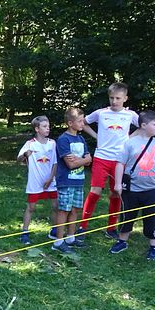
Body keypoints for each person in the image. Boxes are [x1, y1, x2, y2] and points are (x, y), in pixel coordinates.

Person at [81, 82, 139, 239]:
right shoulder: (101, 113)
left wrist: (129, 139)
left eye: (118, 98)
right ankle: (83, 225)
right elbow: (83, 123)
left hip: (120, 160)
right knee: (95, 191)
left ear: (125, 98)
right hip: (101, 157)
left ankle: (111, 227)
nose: (114, 101)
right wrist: (96, 136)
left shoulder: (130, 115)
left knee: (115, 193)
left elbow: (143, 126)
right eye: (112, 98)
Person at [110, 111, 155, 260]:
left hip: (153, 189)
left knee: (153, 218)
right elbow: (120, 163)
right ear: (143, 125)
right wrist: (118, 183)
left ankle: (154, 247)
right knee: (127, 215)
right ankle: (122, 241)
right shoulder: (130, 143)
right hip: (131, 189)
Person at [53, 107, 92, 253]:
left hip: (79, 181)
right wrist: (83, 160)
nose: (83, 123)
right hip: (66, 181)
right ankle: (58, 241)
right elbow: (70, 164)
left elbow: (89, 159)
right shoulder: (63, 139)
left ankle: (70, 237)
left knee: (75, 209)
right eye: (80, 121)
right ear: (70, 123)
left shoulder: (81, 138)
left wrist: (80, 160)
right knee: (64, 210)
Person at [17, 115, 58, 245]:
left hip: (51, 181)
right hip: (35, 182)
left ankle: (54, 230)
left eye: (48, 126)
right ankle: (24, 232)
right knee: (31, 207)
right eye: (44, 127)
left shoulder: (52, 143)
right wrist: (25, 155)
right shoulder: (30, 144)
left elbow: (55, 163)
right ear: (37, 129)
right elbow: (18, 159)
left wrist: (51, 178)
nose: (48, 129)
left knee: (56, 206)